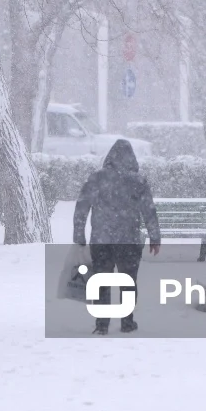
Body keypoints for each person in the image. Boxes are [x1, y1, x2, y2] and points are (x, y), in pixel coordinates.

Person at [73, 139, 160, 335]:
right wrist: (155, 238)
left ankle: (102, 324)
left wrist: (79, 235)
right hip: (128, 241)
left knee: (102, 281)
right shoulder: (138, 181)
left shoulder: (97, 178)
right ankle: (127, 322)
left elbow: (82, 207)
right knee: (128, 282)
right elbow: (149, 211)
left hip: (101, 240)